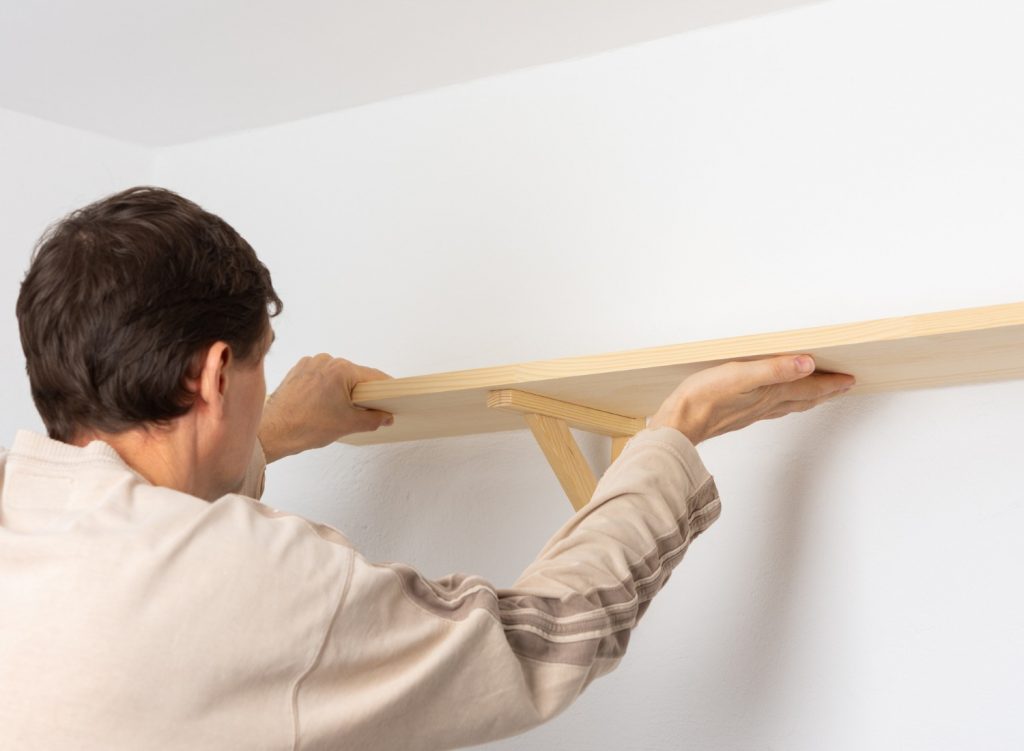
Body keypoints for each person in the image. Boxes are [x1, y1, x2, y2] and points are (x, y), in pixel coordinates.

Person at [0, 186, 855, 750]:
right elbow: (540, 643)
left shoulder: (24, 516)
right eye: (259, 369)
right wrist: (678, 428)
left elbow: (150, 529)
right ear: (216, 375)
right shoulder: (262, 576)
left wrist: (275, 436)